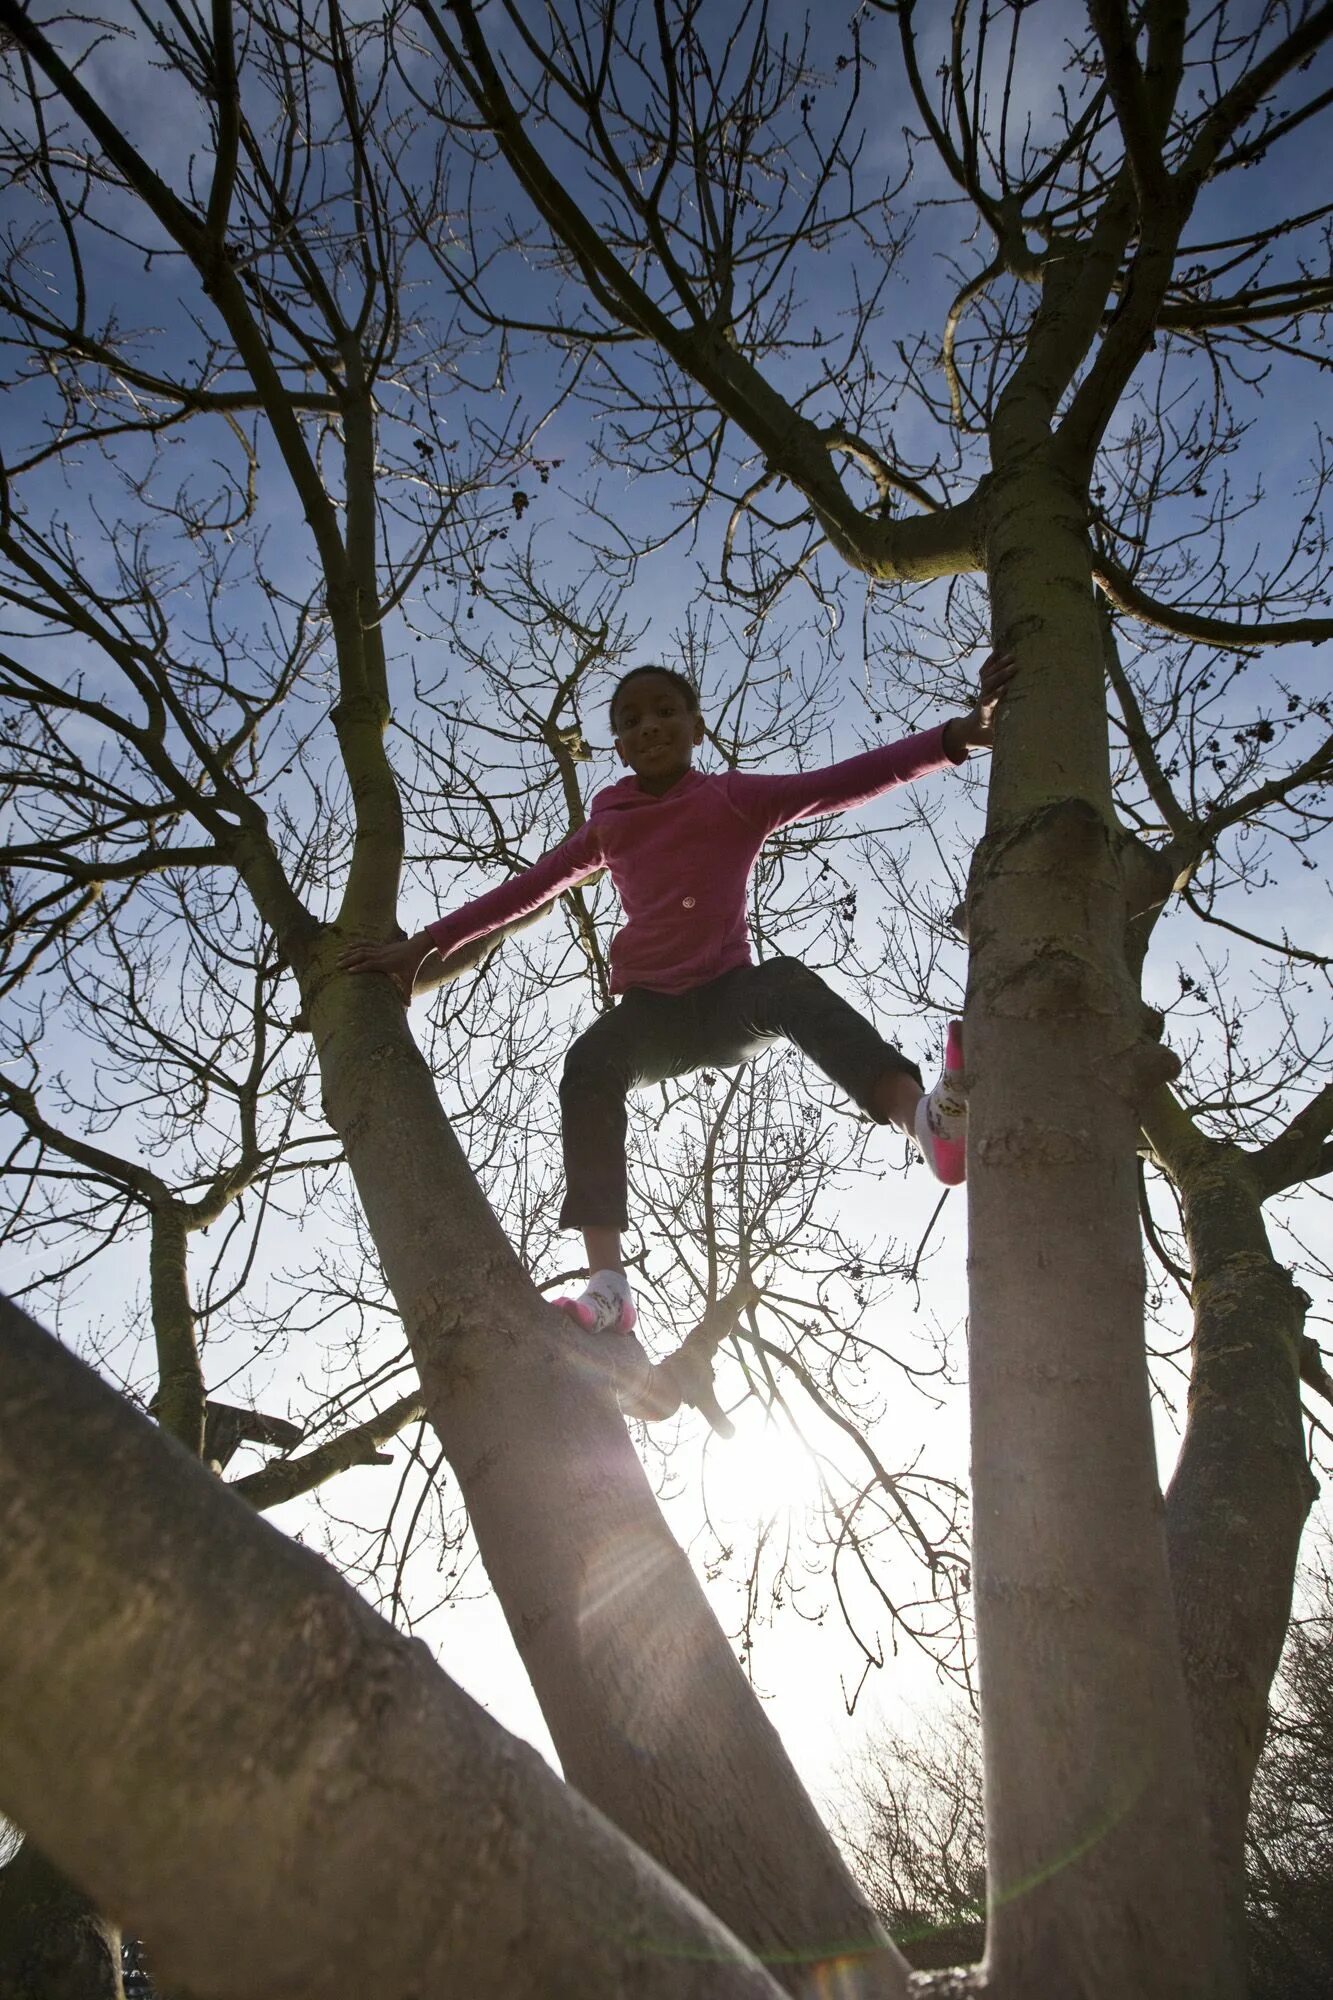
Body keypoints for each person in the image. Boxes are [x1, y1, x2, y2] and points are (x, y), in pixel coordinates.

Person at [341, 650, 1015, 1336]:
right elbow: (526, 891)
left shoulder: (732, 797)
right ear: (619, 745)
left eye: (665, 711)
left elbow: (839, 782)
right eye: (630, 720)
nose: (649, 726)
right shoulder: (609, 823)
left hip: (729, 1002)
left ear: (697, 727)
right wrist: (419, 947)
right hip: (651, 1017)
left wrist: (958, 736)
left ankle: (924, 1122)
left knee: (784, 982)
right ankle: (608, 1286)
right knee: (589, 1064)